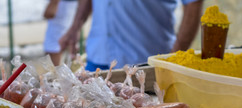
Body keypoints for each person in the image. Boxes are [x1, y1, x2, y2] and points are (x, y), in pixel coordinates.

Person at [59, 0, 204, 71]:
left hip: (146, 64)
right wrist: (75, 28)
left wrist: (174, 57)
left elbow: (193, 4)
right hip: (97, 59)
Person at [43, 0, 78, 66]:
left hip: (56, 36)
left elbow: (49, 13)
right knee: (72, 70)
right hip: (70, 33)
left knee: (53, 72)